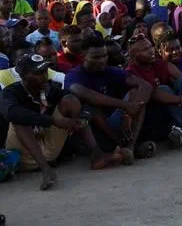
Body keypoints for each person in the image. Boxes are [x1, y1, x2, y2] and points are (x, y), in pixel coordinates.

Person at [2, 54, 127, 190]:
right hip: (21, 154)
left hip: (49, 149)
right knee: (19, 118)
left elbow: (78, 101)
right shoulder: (10, 92)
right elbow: (12, 113)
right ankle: (46, 169)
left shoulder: (48, 88)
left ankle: (96, 155)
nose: (44, 76)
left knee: (71, 100)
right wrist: (54, 121)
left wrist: (81, 119)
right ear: (24, 76)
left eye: (45, 71)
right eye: (38, 73)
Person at [66, 36, 154, 164]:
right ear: (83, 56)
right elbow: (85, 94)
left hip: (115, 121)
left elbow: (146, 86)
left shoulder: (111, 71)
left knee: (137, 95)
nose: (102, 60)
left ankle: (130, 146)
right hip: (92, 129)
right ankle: (122, 147)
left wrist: (129, 111)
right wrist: (125, 106)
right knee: (90, 106)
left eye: (104, 56)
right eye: (96, 57)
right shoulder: (74, 75)